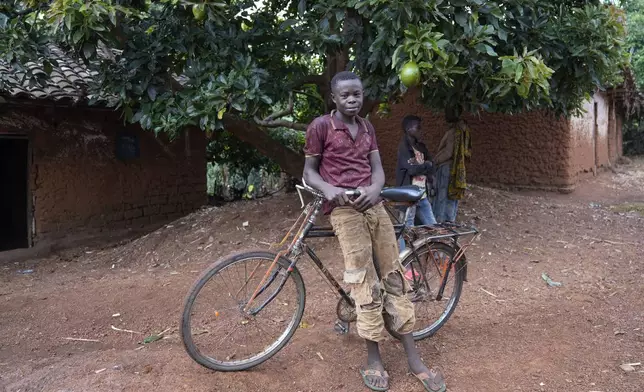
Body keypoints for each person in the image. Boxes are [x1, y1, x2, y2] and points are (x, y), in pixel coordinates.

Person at [303, 71, 446, 392]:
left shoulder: (367, 127)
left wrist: (375, 188)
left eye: (357, 94)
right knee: (363, 279)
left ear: (362, 95)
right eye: (345, 96)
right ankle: (374, 358)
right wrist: (329, 189)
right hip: (344, 211)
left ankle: (414, 359)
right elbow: (309, 173)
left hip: (374, 206)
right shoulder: (321, 127)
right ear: (334, 98)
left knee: (393, 274)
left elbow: (378, 170)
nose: (352, 100)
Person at [395, 115, 437, 253]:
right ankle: (404, 261)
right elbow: (412, 169)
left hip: (421, 194)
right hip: (408, 196)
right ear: (408, 129)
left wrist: (423, 165)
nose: (421, 130)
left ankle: (438, 254)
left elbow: (432, 165)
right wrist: (426, 165)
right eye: (418, 127)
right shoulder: (403, 147)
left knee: (433, 226)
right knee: (405, 229)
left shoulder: (420, 147)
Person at [432, 105, 471, 223]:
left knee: (442, 195)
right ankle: (450, 221)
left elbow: (448, 153)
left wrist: (435, 161)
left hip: (447, 167)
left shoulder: (453, 132)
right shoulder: (463, 130)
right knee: (452, 196)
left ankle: (440, 222)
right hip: (455, 167)